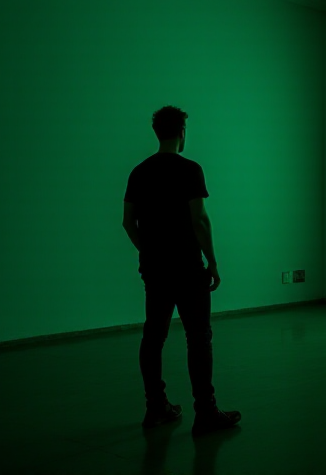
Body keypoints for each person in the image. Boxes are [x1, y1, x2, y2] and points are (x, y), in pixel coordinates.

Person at [123, 105, 241, 436]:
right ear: (182, 133)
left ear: (157, 132)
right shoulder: (190, 169)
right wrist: (213, 261)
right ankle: (205, 412)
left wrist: (148, 251)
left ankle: (156, 407)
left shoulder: (139, 172)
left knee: (153, 337)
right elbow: (199, 220)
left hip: (155, 270)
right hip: (189, 269)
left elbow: (127, 223)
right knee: (198, 338)